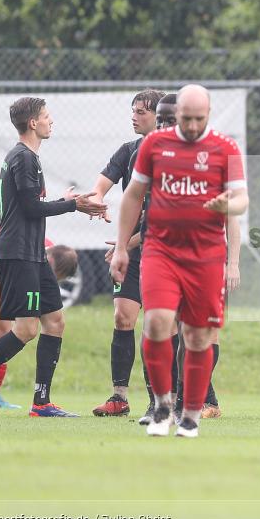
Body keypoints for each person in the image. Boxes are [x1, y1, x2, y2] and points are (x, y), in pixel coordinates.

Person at [0, 97, 106, 417]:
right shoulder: (23, 158)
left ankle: (42, 402)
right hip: (18, 254)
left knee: (55, 321)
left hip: (34, 253)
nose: (51, 121)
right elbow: (30, 209)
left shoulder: (27, 157)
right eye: (47, 117)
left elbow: (30, 205)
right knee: (25, 330)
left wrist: (64, 200)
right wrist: (73, 205)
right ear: (33, 123)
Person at [110, 84, 247, 438]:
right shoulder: (155, 146)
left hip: (205, 256)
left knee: (199, 336)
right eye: (186, 118)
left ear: (209, 115)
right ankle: (161, 404)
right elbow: (132, 196)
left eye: (199, 119)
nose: (191, 125)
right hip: (161, 251)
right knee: (156, 323)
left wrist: (226, 206)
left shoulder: (225, 147)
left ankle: (191, 413)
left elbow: (241, 200)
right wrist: (123, 247)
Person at [90, 89, 167, 418]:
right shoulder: (129, 150)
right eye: (133, 110)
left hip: (161, 250)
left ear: (158, 116)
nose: (134, 116)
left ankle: (159, 399)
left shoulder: (170, 155)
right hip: (134, 251)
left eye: (141, 112)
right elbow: (102, 184)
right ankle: (119, 397)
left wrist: (126, 243)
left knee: (159, 325)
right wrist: (95, 200)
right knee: (123, 317)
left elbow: (159, 216)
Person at [0, 226, 76, 408]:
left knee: (7, 331)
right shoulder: (22, 253)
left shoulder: (46, 257)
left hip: (0, 266)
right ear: (49, 259)